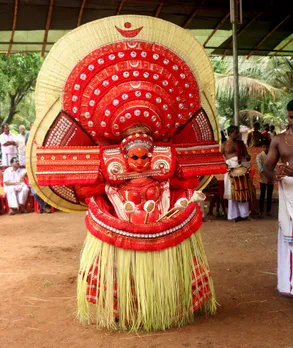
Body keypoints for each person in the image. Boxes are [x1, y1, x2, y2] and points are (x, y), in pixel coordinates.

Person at [264, 100, 293, 297]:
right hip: (288, 192)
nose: (292, 121)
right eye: (291, 117)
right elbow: (267, 167)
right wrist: (274, 176)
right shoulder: (279, 140)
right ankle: (288, 284)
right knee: (289, 237)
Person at [222, 125, 252, 222]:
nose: (238, 134)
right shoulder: (224, 145)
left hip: (241, 168)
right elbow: (220, 157)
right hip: (230, 170)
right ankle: (233, 215)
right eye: (236, 133)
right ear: (230, 134)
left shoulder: (241, 144)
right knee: (232, 193)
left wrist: (247, 157)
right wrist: (227, 165)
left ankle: (244, 214)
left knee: (243, 192)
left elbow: (247, 155)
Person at [256, 141, 274, 218]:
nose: (266, 148)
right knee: (262, 195)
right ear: (262, 147)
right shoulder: (259, 156)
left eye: (267, 147)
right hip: (263, 178)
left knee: (270, 195)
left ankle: (268, 211)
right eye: (264, 147)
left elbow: (274, 166)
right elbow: (260, 168)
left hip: (270, 178)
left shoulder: (272, 155)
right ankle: (261, 211)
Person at [246, 122, 266, 189]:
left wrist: (260, 143)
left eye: (257, 126)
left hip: (258, 148)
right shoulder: (250, 133)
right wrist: (248, 147)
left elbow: (263, 139)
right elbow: (247, 141)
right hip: (252, 148)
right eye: (255, 126)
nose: (256, 127)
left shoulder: (259, 133)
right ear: (254, 126)